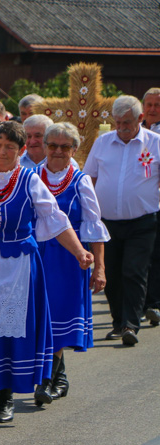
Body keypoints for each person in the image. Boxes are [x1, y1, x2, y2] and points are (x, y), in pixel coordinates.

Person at [0, 121, 93, 426]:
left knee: (10, 335)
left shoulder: (29, 180)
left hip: (17, 269)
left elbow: (56, 220)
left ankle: (5, 400)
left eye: (10, 146)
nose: (2, 151)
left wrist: (79, 251)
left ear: (21, 150)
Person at [35, 122, 109, 400]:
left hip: (69, 260)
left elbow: (93, 226)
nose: (57, 151)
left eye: (64, 147)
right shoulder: (30, 176)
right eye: (52, 145)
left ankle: (48, 381)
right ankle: (56, 377)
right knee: (41, 318)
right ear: (44, 146)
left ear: (75, 149)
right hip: (36, 256)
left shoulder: (80, 181)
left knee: (59, 317)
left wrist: (99, 267)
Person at [84, 95, 160, 345]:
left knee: (134, 271)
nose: (121, 127)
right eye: (117, 122)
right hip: (107, 223)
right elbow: (89, 180)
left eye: (126, 122)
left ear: (140, 119)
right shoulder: (103, 142)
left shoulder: (155, 143)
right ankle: (118, 321)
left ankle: (131, 324)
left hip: (143, 221)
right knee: (113, 273)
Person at [140, 88, 160, 321]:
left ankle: (153, 302)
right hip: (139, 205)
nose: (153, 109)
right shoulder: (133, 133)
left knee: (156, 254)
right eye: (149, 105)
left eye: (158, 105)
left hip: (157, 203)